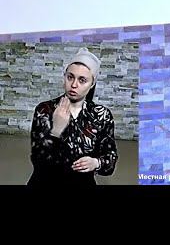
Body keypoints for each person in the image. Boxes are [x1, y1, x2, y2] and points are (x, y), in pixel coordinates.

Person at [27, 47, 118, 186]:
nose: (74, 85)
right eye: (70, 77)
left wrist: (96, 163)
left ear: (92, 84)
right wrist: (56, 131)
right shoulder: (44, 110)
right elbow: (38, 162)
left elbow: (110, 159)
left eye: (82, 80)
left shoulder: (101, 115)